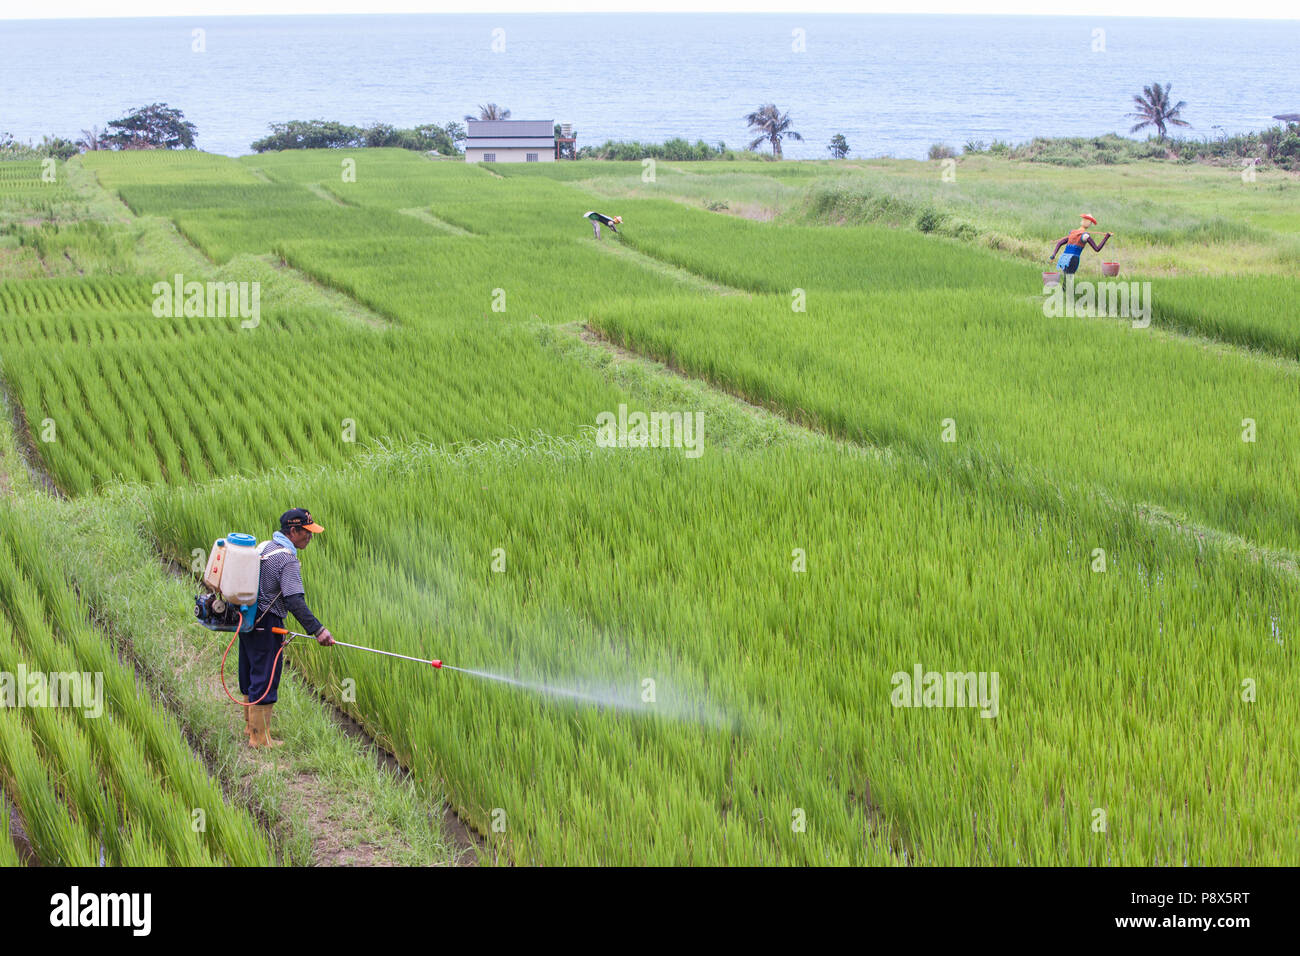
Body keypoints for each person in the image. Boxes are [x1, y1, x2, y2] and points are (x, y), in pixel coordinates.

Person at [239, 507, 335, 748]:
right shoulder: (287, 559)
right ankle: (259, 739)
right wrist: (318, 630)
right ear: (293, 531)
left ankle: (251, 728)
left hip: (248, 619)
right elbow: (294, 601)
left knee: (251, 670)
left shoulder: (264, 547)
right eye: (307, 532)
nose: (310, 537)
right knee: (266, 676)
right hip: (268, 623)